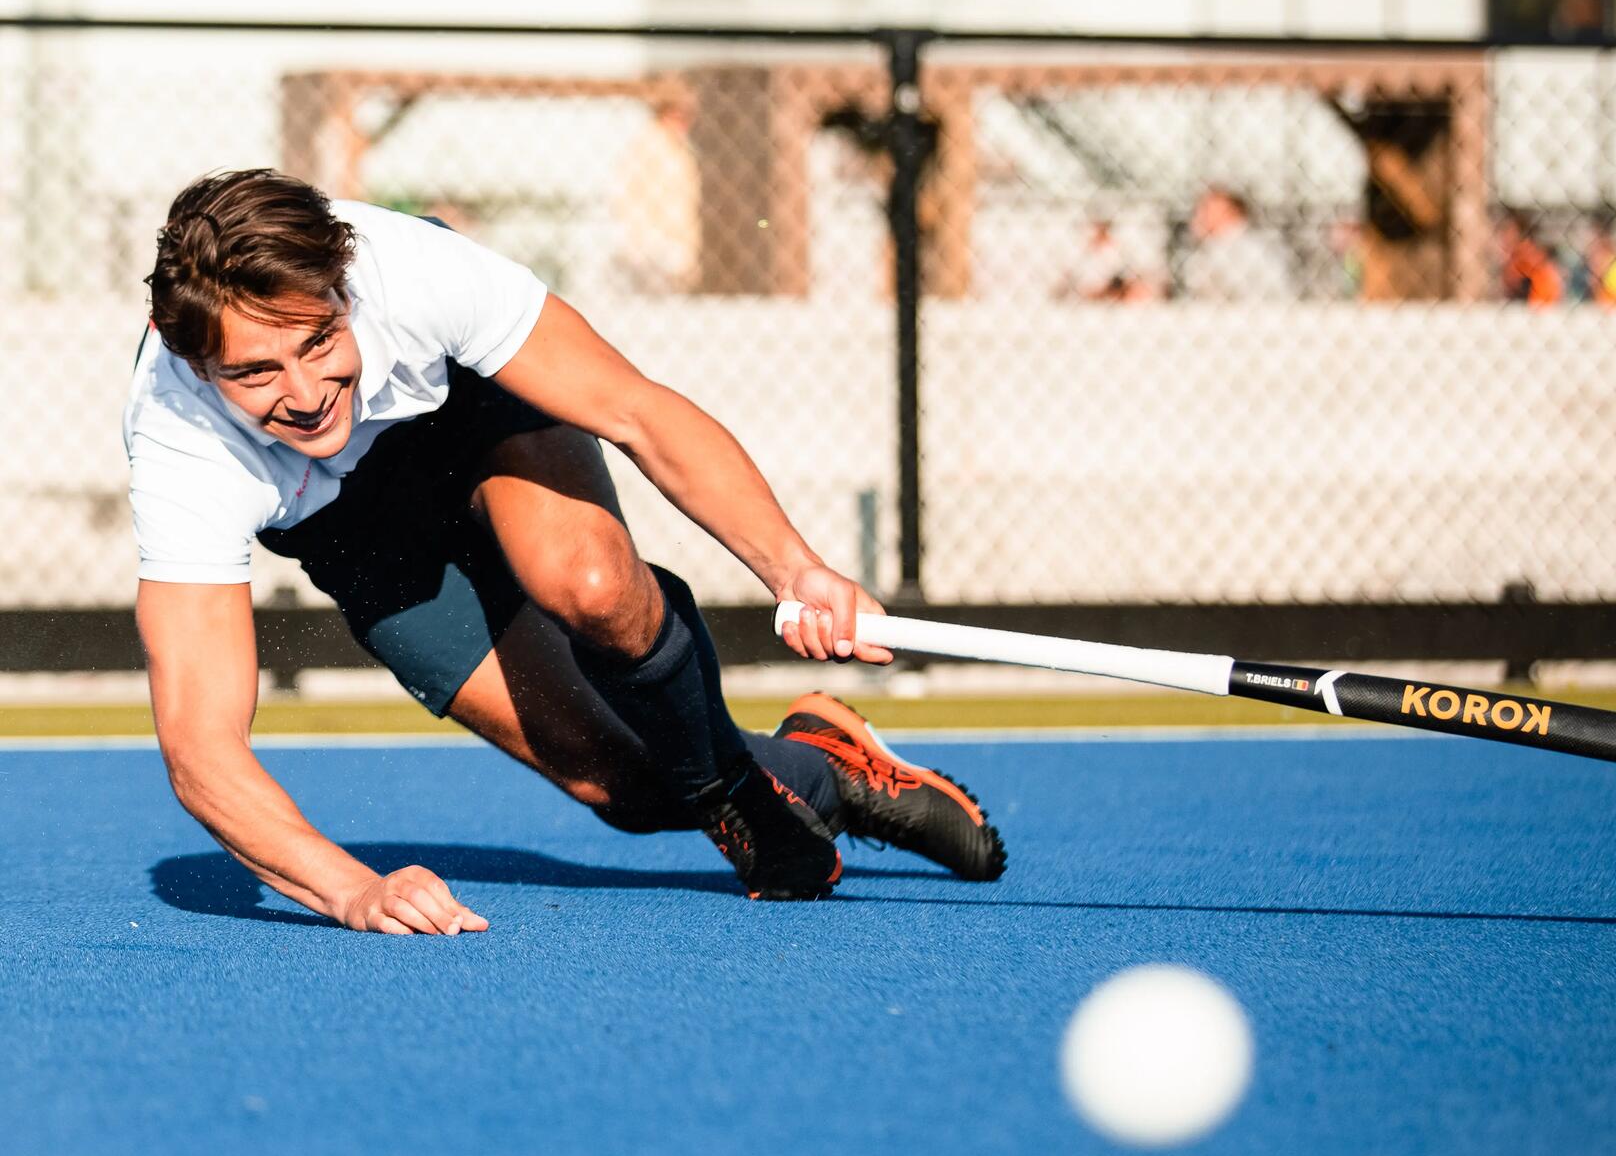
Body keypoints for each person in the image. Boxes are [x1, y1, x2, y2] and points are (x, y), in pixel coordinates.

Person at [126, 169, 1004, 935]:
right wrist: (354, 891)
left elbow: (636, 412)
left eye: (320, 341)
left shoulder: (417, 273)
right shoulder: (180, 445)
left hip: (467, 413)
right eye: (257, 373)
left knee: (585, 580)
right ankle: (816, 765)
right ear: (192, 360)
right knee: (614, 785)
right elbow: (202, 749)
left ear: (345, 289)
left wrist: (794, 567)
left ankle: (733, 799)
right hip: (347, 521)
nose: (308, 392)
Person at [612, 96, 702, 295]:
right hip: (651, 234)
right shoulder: (648, 145)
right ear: (663, 115)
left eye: (687, 117)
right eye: (677, 117)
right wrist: (639, 230)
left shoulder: (681, 148)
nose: (683, 123)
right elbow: (626, 191)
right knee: (651, 295)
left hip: (675, 233)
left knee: (671, 294)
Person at [1177, 188, 1296, 302]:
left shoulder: (1245, 246)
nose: (1200, 215)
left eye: (1207, 209)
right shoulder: (1218, 246)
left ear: (1231, 211)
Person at [1496, 210, 1562, 307]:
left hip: (1538, 305)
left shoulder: (1528, 256)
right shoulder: (1515, 257)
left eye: (1508, 232)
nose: (1504, 237)